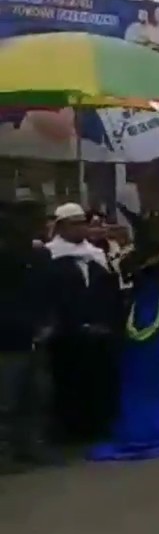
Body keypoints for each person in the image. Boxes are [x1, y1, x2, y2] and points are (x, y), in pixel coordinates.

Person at [88, 207, 159, 462]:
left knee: (150, 372)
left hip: (143, 314)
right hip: (157, 314)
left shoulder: (135, 256)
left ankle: (150, 421)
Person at [44, 202, 123, 443]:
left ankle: (100, 427)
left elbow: (111, 293)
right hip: (68, 335)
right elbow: (49, 297)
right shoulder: (49, 256)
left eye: (83, 223)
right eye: (74, 224)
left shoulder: (96, 255)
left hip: (100, 333)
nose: (81, 228)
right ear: (61, 227)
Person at [0, 199, 55, 473]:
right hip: (7, 339)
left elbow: (46, 292)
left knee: (36, 395)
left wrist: (47, 322)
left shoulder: (40, 256)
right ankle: (5, 452)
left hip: (35, 336)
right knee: (6, 401)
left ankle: (31, 445)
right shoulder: (7, 255)